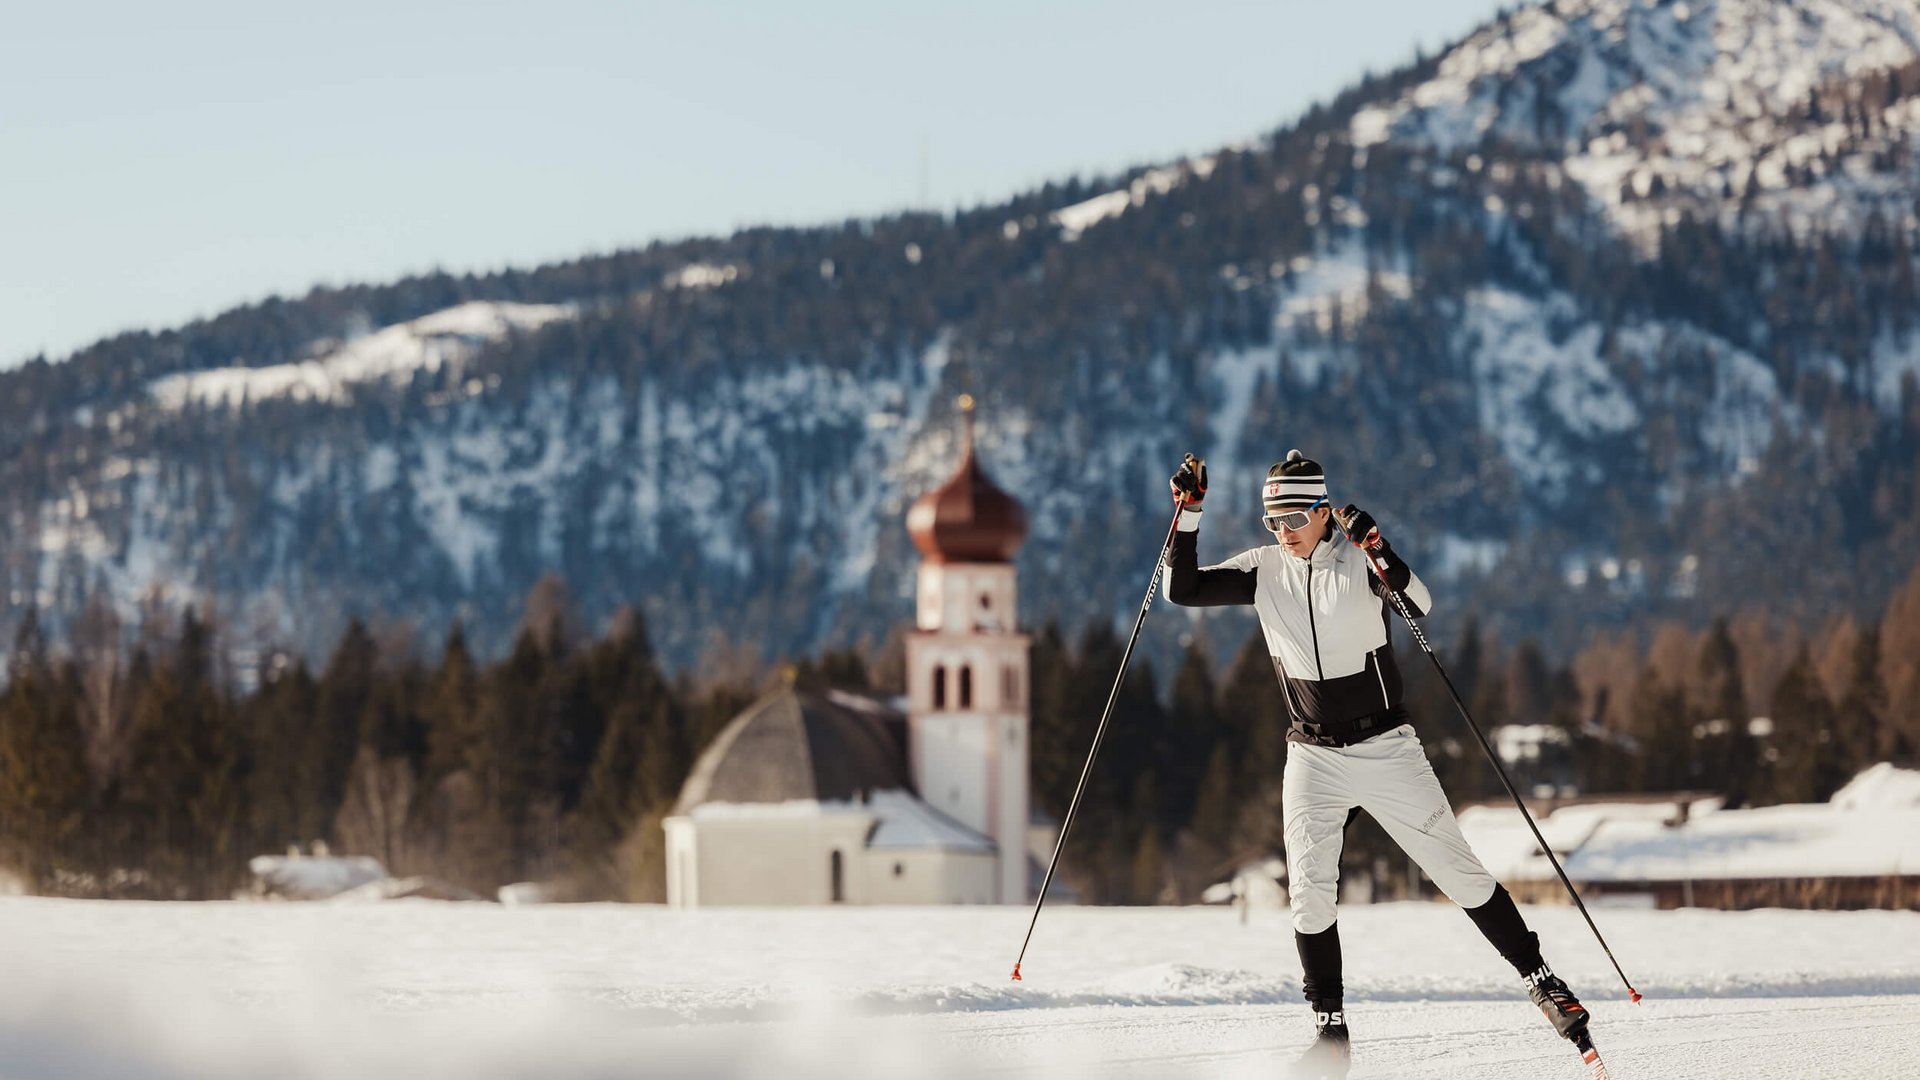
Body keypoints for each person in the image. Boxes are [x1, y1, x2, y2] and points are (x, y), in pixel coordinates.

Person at [1164, 450, 1589, 1079]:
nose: (1279, 529)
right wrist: (1189, 514)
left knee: (1459, 872)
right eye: (1269, 518)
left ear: (1320, 511)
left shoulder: (1358, 561)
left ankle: (1542, 980)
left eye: (1290, 516)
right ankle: (1330, 1031)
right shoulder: (1264, 571)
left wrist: (1378, 547)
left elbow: (1418, 603)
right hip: (1312, 753)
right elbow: (1182, 588)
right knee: (1308, 891)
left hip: (1386, 748)